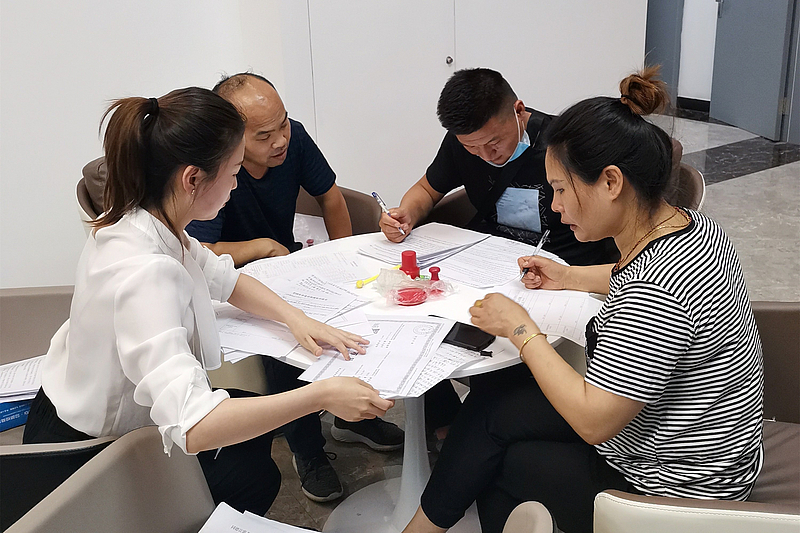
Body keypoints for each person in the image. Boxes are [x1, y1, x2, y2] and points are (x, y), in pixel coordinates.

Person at [403, 68, 764, 533]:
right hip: (692, 442)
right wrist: (568, 276)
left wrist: (520, 329)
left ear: (611, 182)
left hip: (672, 489)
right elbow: (629, 272)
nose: (554, 206)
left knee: (496, 467)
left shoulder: (655, 293)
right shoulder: (690, 225)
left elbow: (594, 423)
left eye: (560, 189)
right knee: (492, 403)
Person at [22, 87, 394, 516]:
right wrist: (319, 396)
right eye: (234, 171)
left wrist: (296, 319)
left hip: (77, 407)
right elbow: (194, 424)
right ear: (193, 179)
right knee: (256, 477)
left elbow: (225, 279)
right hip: (88, 455)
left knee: (253, 436)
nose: (236, 183)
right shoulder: (146, 274)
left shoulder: (148, 222)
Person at [186, 73, 404, 503]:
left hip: (288, 267)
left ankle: (352, 419)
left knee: (349, 317)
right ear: (231, 141)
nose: (281, 140)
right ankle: (308, 451)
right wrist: (259, 246)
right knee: (284, 341)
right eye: (264, 135)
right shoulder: (214, 171)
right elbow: (200, 250)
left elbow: (331, 197)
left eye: (283, 123)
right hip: (233, 278)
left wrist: (342, 261)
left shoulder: (294, 139)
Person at [379, 68, 618, 267]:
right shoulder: (460, 142)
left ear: (518, 111)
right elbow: (427, 189)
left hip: (564, 266)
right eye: (471, 147)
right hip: (490, 261)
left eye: (494, 143)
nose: (486, 155)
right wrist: (406, 215)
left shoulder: (563, 145)